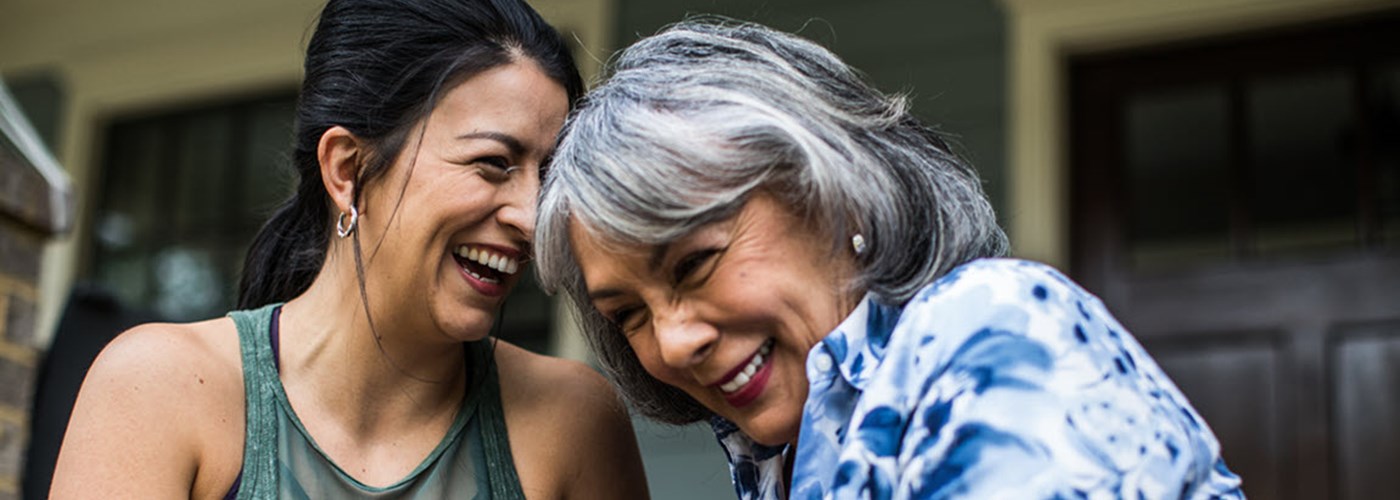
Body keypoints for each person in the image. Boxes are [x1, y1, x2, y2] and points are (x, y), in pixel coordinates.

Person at [535, 20, 1243, 499]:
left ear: (837, 193)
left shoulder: (990, 329)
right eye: (628, 314)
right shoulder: (782, 452)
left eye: (695, 264)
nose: (673, 343)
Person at [51, 0, 648, 497]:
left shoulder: (574, 421)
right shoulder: (160, 389)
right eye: (493, 163)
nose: (531, 218)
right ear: (348, 169)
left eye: (548, 177)